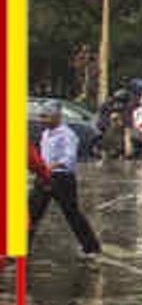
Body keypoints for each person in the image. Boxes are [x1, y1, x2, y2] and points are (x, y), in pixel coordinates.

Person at [29, 108, 103, 256]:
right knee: (31, 213)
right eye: (41, 117)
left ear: (57, 117)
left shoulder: (67, 135)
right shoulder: (45, 134)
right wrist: (41, 169)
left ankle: (91, 247)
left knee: (72, 213)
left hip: (62, 179)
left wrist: (52, 166)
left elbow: (69, 158)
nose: (42, 120)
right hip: (43, 177)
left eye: (45, 117)